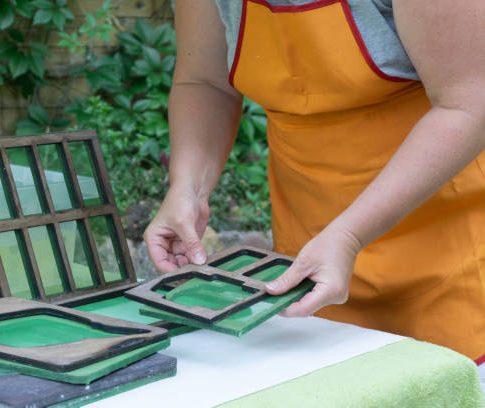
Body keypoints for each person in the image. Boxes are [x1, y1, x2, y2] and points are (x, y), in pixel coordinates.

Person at [143, 0, 485, 362]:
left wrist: (349, 236)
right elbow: (206, 81)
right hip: (307, 260)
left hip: (450, 262)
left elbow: (470, 104)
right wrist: (188, 188)